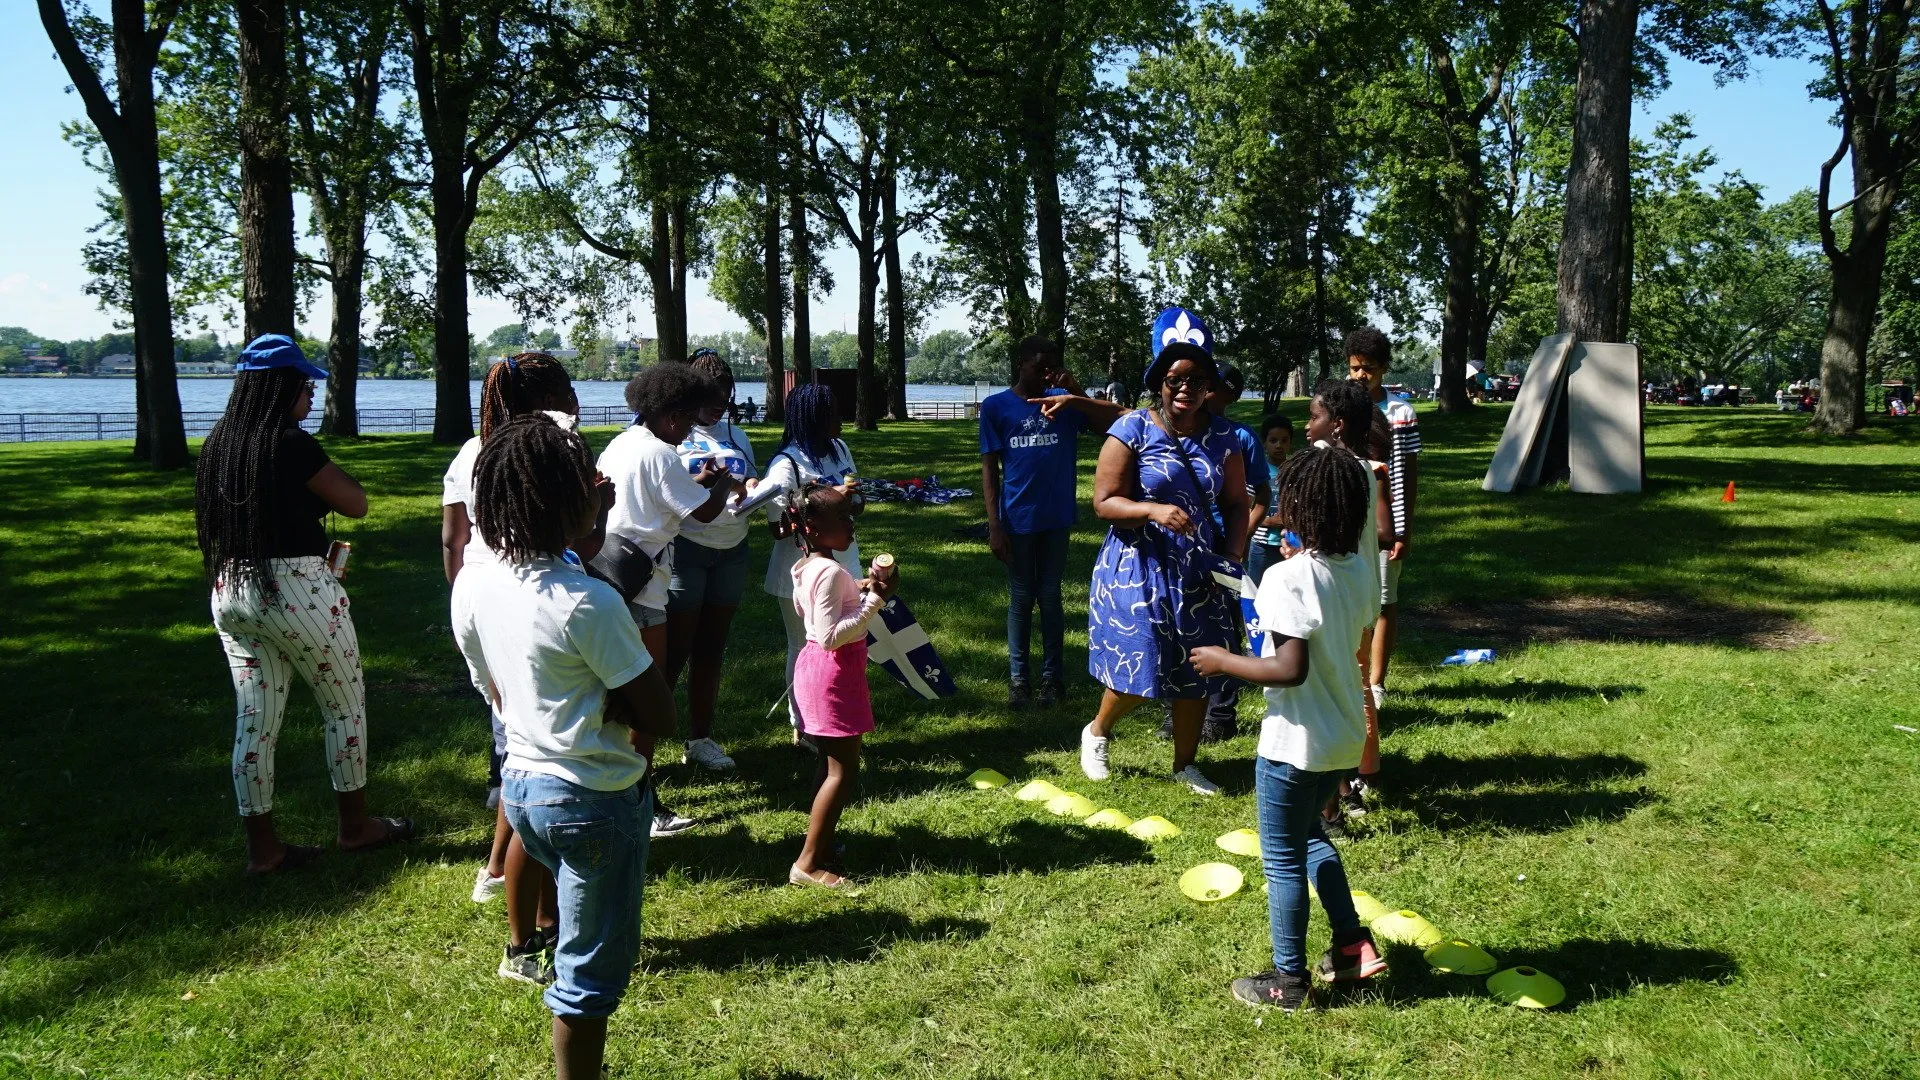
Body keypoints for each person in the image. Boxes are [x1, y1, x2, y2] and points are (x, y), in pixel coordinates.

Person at [452, 415, 677, 1078]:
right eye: (588, 482)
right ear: (566, 502)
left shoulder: (476, 584)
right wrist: (613, 699)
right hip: (595, 798)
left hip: (524, 789)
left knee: (578, 949)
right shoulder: (589, 601)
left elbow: (494, 690)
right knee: (588, 977)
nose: (600, 487)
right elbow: (659, 711)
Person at [194, 334, 410, 875]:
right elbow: (356, 503)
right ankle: (355, 828)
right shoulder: (291, 444)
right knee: (344, 706)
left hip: (233, 588)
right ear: (279, 387)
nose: (312, 394)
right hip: (296, 590)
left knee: (256, 721)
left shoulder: (220, 444)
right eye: (304, 385)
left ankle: (264, 850)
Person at [1189, 446, 1388, 1013]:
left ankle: (1288, 979)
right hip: (1343, 735)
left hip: (1295, 742)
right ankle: (1352, 946)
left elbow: (1289, 668)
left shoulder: (1286, 577)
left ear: (1299, 509)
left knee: (1281, 859)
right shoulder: (1360, 571)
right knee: (1312, 838)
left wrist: (1222, 661)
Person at [442, 352, 591, 984]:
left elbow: (452, 539)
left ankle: (505, 879)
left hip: (481, 601)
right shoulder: (551, 448)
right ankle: (523, 901)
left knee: (515, 747)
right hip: (535, 600)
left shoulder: (469, 452)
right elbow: (578, 538)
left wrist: (465, 601)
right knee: (535, 758)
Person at [1080, 307, 1251, 795]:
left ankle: (1185, 764)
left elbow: (1237, 503)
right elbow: (1104, 502)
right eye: (1175, 378)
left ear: (1209, 385)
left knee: (1198, 667)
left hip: (1198, 570)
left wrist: (1233, 555)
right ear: (1159, 381)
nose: (1185, 388)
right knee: (1142, 662)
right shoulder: (1132, 429)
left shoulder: (1225, 437)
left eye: (1197, 379)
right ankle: (1097, 732)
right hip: (1139, 565)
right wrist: (1152, 510)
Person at [597, 363, 742, 837]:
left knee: (613, 694)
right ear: (673, 416)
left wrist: (697, 482)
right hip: (643, 587)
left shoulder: (622, 443)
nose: (686, 434)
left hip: (608, 574)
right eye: (687, 422)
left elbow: (658, 497)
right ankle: (643, 803)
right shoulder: (661, 453)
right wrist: (724, 482)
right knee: (648, 696)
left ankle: (615, 790)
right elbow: (703, 514)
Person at [980, 335, 1125, 708]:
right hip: (1018, 518)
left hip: (1056, 516)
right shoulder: (996, 407)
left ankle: (1052, 679)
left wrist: (1075, 390)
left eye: (1052, 368)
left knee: (1050, 594)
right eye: (1038, 368)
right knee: (1021, 595)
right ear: (1020, 365)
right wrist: (995, 524)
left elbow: (1112, 423)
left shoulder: (1065, 403)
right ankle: (1019, 680)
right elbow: (990, 470)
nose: (1046, 375)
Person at [783, 483, 897, 888]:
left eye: (850, 515)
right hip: (832, 671)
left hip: (813, 670)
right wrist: (875, 600)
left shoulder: (807, 565)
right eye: (841, 518)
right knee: (842, 772)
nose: (851, 523)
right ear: (813, 528)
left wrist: (860, 588)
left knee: (827, 765)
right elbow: (831, 636)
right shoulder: (830, 572)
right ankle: (808, 864)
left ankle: (821, 843)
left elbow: (816, 608)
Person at [663, 351, 760, 771]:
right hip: (686, 548)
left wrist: (752, 485)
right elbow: (665, 486)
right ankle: (640, 745)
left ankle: (700, 740)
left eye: (725, 397)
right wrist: (707, 482)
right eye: (710, 398)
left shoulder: (736, 435)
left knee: (711, 649)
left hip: (732, 549)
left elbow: (750, 476)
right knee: (674, 651)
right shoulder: (674, 434)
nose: (719, 406)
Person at [1304, 381, 1394, 819]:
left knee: (1328, 692)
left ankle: (1336, 796)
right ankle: (1354, 779)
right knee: (1352, 688)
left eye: (1314, 416)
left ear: (1336, 424)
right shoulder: (1366, 469)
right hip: (1360, 597)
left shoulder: (1331, 470)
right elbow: (1382, 534)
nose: (1307, 426)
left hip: (1331, 598)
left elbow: (1324, 533)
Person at [762, 382, 863, 746]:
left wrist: (851, 501)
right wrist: (831, 498)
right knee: (807, 648)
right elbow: (777, 529)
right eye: (832, 412)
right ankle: (804, 725)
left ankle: (837, 717)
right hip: (804, 574)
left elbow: (856, 505)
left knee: (848, 645)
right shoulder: (786, 464)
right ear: (813, 418)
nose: (841, 417)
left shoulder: (839, 449)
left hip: (845, 564)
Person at [1193, 362, 1271, 744]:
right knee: (1183, 621)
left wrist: (1239, 542)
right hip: (1188, 545)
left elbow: (1262, 495)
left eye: (1216, 385)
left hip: (1227, 548)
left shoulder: (1241, 437)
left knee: (1223, 624)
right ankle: (1180, 710)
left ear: (1232, 394)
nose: (1207, 390)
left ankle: (1220, 715)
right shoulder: (1182, 431)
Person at [1345, 327, 1419, 709]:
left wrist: (1404, 529)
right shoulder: (1339, 405)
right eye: (1355, 368)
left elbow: (1408, 472)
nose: (1361, 375)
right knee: (1349, 600)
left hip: (1388, 522)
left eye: (1369, 369)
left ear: (1384, 368)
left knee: (1385, 599)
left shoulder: (1401, 412)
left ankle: (1376, 682)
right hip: (1346, 521)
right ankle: (1349, 676)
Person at [1247, 413, 1294, 585]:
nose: (1279, 445)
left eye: (1284, 440)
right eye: (1273, 440)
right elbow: (1246, 510)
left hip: (1289, 544)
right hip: (1261, 544)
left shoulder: (1296, 471)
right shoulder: (1257, 472)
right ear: (1264, 443)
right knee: (1256, 588)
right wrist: (1268, 521)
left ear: (1290, 442)